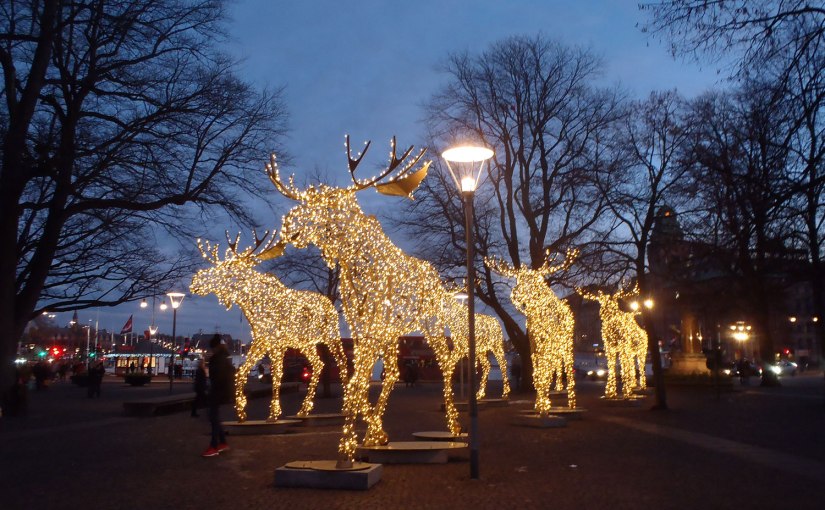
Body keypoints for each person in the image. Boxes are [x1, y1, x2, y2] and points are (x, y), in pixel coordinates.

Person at [203, 335, 231, 457]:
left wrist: (213, 389)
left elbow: (218, 377)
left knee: (213, 418)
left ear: (215, 347)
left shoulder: (218, 359)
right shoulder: (223, 357)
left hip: (218, 391)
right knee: (214, 417)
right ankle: (223, 443)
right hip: (220, 391)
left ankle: (214, 446)